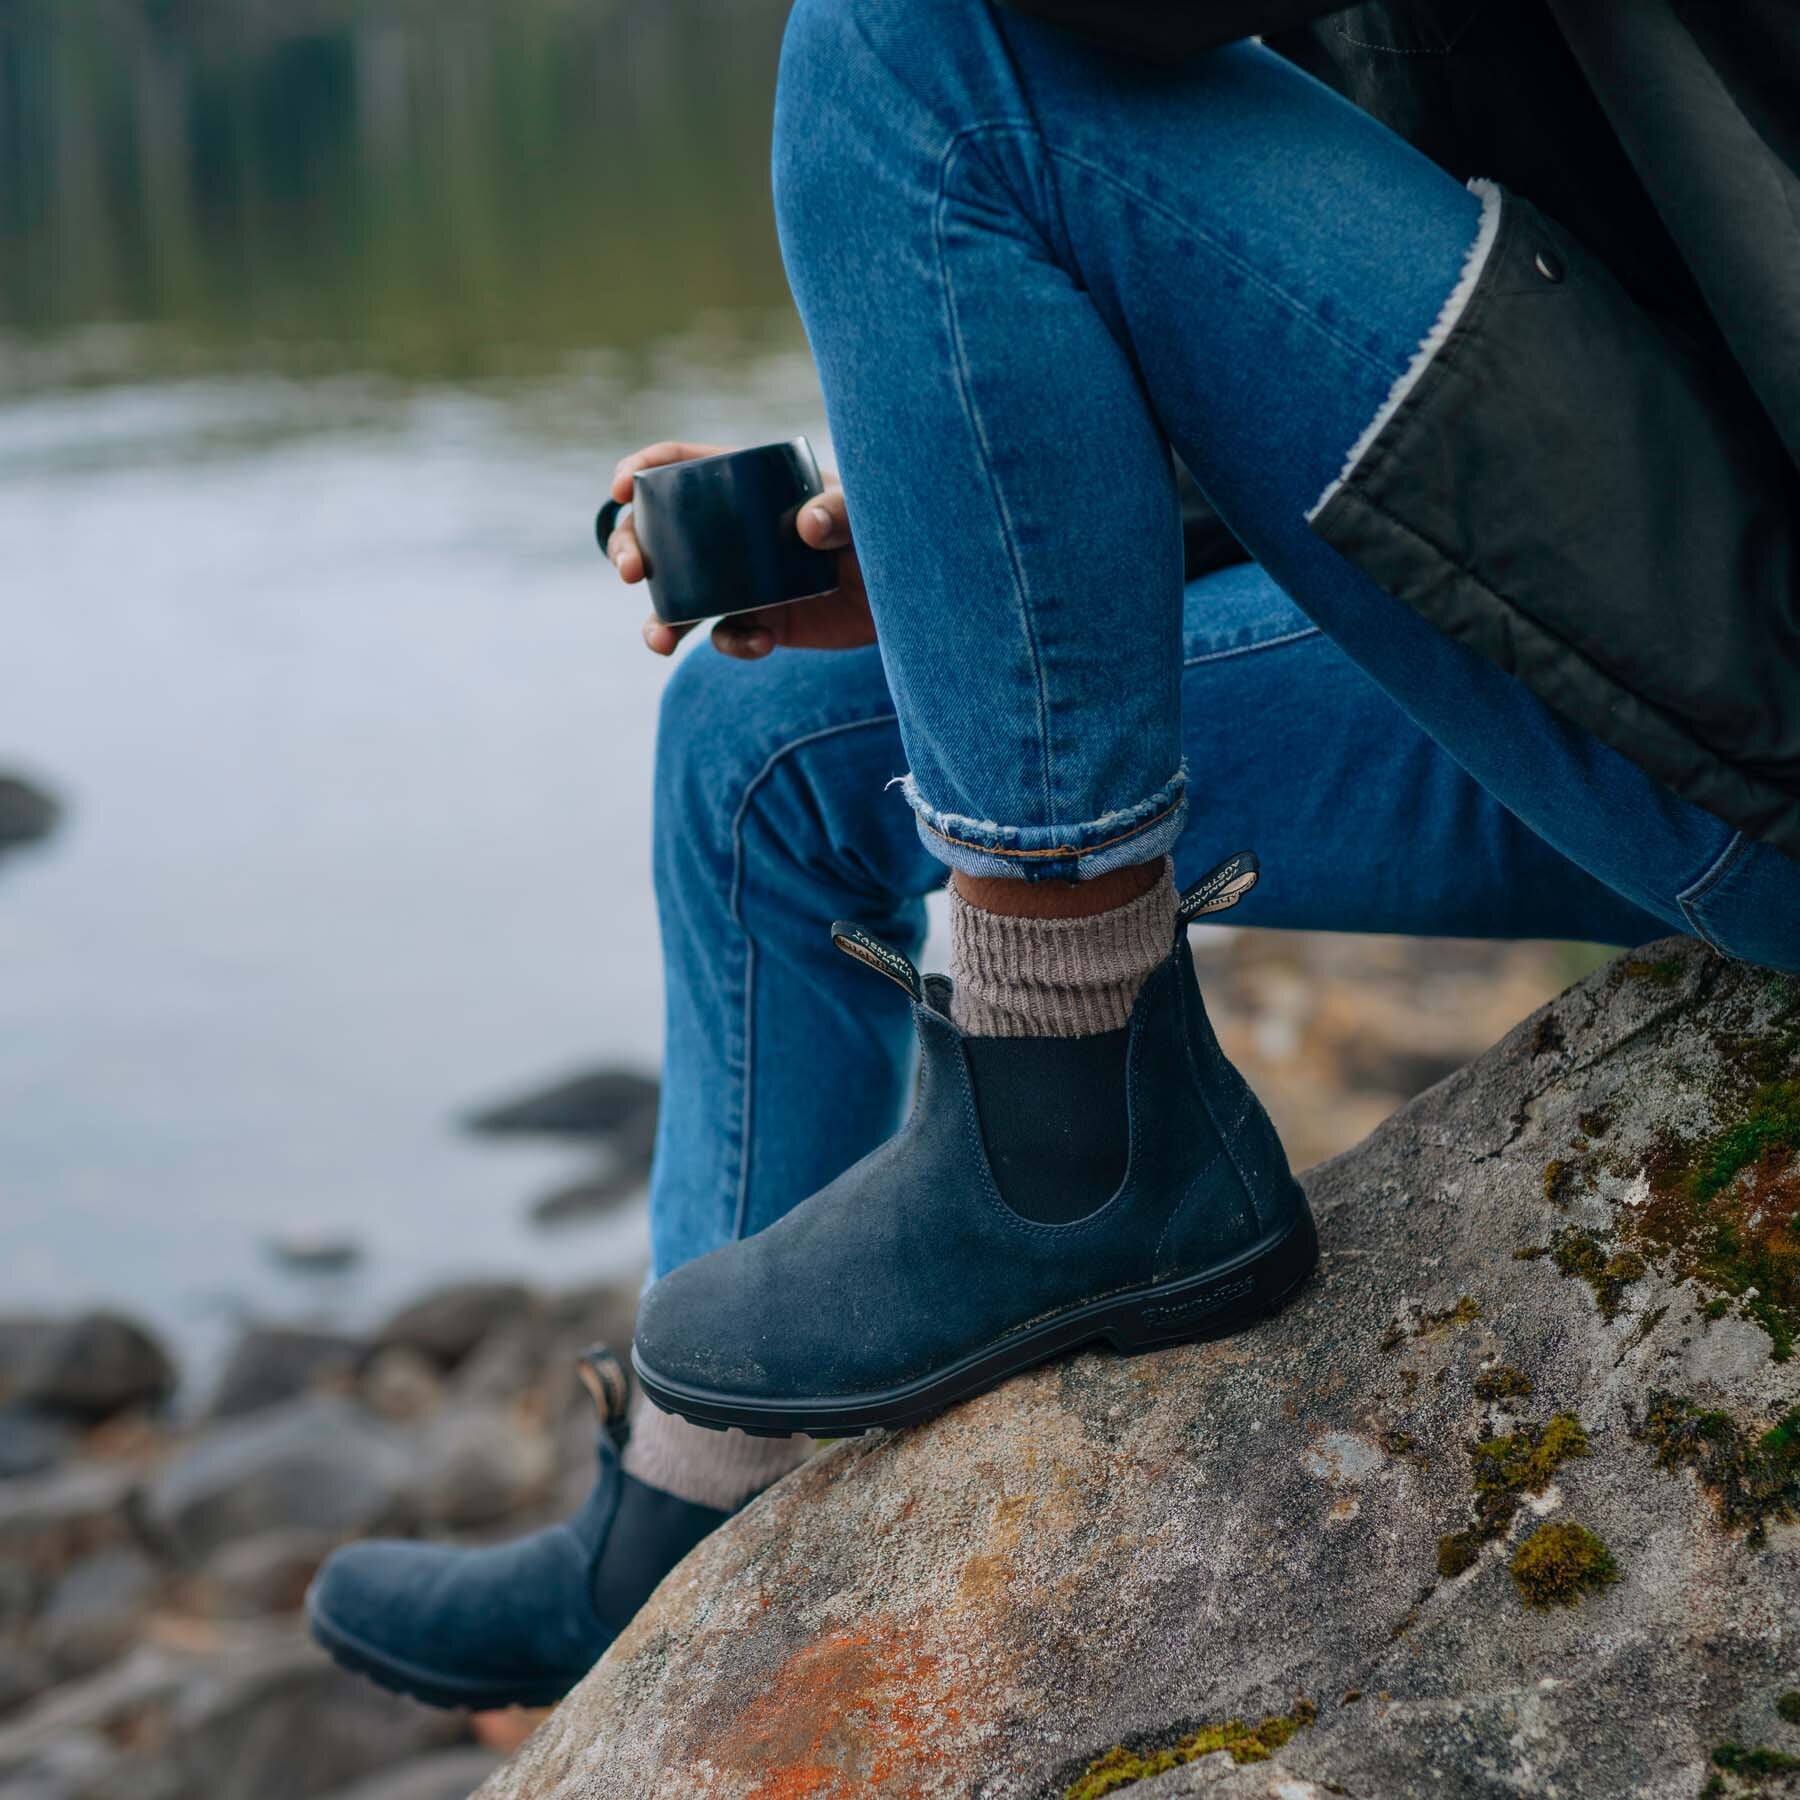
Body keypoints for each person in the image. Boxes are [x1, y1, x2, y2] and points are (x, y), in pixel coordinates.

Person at [308, 0, 1800, 1711]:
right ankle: (677, 1517)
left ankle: (1068, 1119)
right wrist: (974, 512)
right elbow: (1536, 284)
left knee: (904, 49)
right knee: (766, 750)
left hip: (1746, 675)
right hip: (1672, 584)